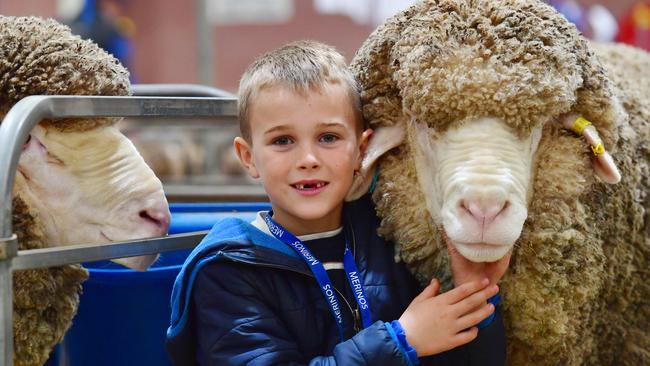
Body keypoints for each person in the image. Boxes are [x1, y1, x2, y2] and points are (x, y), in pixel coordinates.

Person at [165, 40, 510, 365]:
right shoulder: (228, 270)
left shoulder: (393, 241)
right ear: (248, 156)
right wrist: (399, 341)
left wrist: (473, 293)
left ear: (362, 150)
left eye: (328, 137)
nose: (309, 158)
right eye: (283, 140)